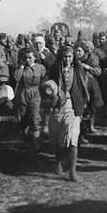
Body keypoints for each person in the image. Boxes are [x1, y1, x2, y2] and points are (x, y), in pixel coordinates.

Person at [44, 46, 89, 182]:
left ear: (73, 57)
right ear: (60, 57)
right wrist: (51, 92)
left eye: (70, 56)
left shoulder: (78, 69)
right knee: (58, 139)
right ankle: (57, 163)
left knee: (72, 139)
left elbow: (83, 88)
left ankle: (72, 172)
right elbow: (45, 85)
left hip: (73, 107)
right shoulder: (53, 69)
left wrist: (82, 106)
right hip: (57, 107)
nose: (67, 59)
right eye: (64, 56)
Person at [13, 48, 47, 152]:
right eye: (25, 58)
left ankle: (36, 144)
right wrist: (22, 66)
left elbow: (45, 81)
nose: (28, 60)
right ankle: (27, 143)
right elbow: (16, 78)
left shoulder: (41, 68)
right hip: (22, 95)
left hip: (36, 95)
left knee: (35, 117)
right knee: (23, 119)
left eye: (30, 58)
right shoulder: (21, 68)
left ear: (35, 58)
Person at [75, 41, 104, 143]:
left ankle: (83, 134)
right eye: (76, 51)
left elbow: (98, 71)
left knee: (89, 111)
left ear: (85, 52)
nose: (78, 53)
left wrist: (87, 67)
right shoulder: (73, 60)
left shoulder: (92, 59)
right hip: (78, 88)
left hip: (90, 88)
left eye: (80, 51)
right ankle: (77, 136)